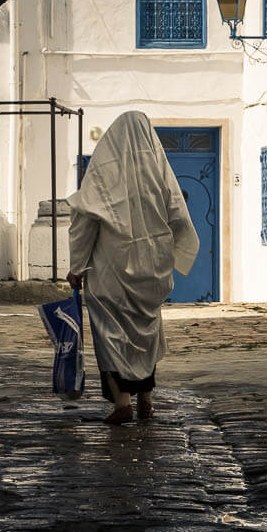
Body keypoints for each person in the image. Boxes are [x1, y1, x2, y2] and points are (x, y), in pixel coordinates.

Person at [66, 111, 199, 424]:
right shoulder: (159, 174)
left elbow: (85, 222)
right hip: (150, 271)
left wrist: (76, 266)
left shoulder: (102, 172)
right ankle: (146, 400)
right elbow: (178, 215)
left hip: (110, 271)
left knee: (111, 334)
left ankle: (122, 402)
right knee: (145, 334)